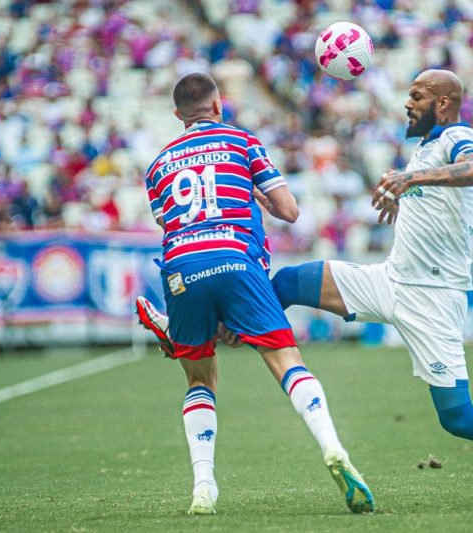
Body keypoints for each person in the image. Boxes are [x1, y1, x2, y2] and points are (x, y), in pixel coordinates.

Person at [140, 69, 473, 503]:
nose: (406, 103)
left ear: (443, 103)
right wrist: (405, 196)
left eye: (416, 96)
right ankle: (203, 330)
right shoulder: (423, 150)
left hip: (434, 299)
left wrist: (408, 179)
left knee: (460, 417)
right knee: (285, 282)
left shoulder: (457, 136)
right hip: (390, 278)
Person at [138, 72, 373, 516]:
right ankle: (333, 446)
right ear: (218, 105)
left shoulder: (156, 166)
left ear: (177, 116)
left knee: (200, 379)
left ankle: (204, 485)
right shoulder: (242, 142)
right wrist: (255, 196)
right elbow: (289, 209)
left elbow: (171, 226)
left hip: (181, 268)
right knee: (287, 362)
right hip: (235, 258)